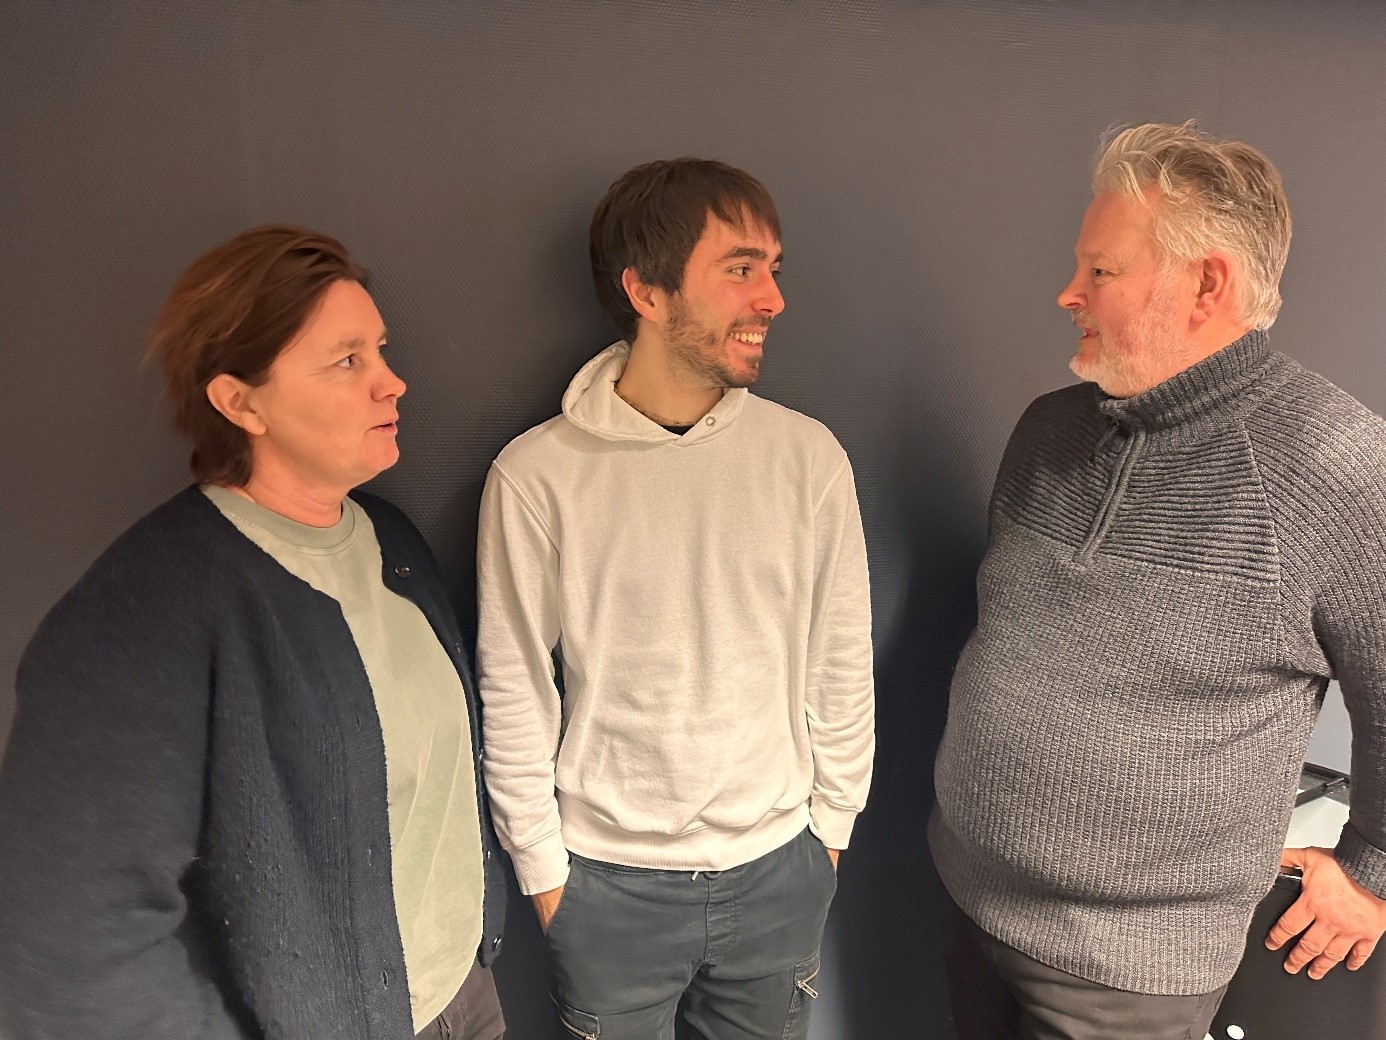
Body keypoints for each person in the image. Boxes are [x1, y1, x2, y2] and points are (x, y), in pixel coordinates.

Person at [930, 121, 1386, 1040]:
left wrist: (1374, 871)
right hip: (964, 898)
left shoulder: (1335, 464)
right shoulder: (1048, 429)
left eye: (1100, 270)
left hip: (1130, 974)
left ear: (1206, 284)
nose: (1068, 293)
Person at [0, 225, 507, 1040]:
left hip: (468, 996)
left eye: (380, 350)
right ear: (240, 402)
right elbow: (67, 952)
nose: (393, 382)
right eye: (347, 361)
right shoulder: (141, 616)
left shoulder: (393, 542)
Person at [475, 158, 875, 1040]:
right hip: (607, 889)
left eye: (774, 269)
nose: (773, 299)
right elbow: (514, 687)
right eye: (740, 269)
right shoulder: (538, 476)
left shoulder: (808, 459)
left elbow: (840, 659)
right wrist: (546, 878)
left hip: (780, 872)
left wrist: (829, 837)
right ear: (647, 291)